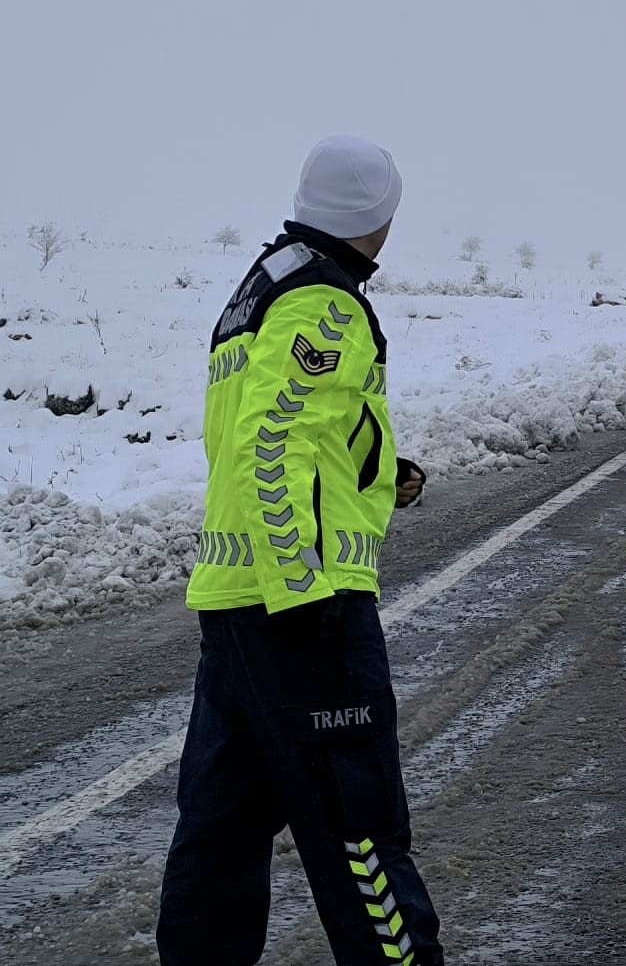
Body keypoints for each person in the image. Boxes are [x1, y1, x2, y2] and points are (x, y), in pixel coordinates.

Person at [158, 135, 442, 966]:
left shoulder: (261, 287)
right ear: (378, 215)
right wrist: (303, 589)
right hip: (301, 612)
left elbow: (293, 433)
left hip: (236, 605)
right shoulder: (327, 303)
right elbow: (270, 444)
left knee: (222, 832)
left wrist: (381, 472)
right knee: (361, 829)